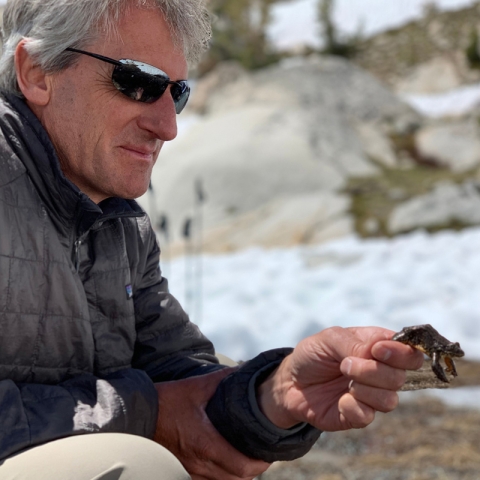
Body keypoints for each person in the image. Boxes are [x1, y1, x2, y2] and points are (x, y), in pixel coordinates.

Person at [0, 1, 424, 479]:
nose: (168, 126)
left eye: (176, 92)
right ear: (36, 73)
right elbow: (165, 407)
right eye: (138, 82)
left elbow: (179, 372)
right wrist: (149, 416)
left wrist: (275, 393)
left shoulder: (117, 219)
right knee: (139, 465)